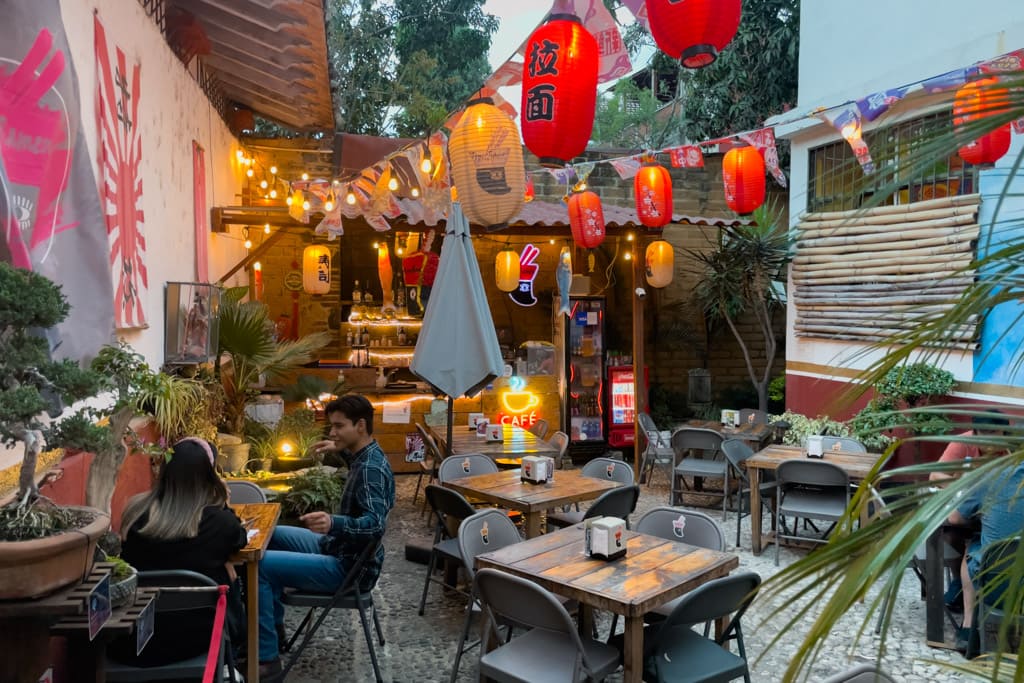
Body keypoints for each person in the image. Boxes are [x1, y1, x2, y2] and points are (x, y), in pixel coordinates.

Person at [256, 394, 395, 678]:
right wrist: (339, 447)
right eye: (331, 426)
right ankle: (275, 627)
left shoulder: (369, 469)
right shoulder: (366, 455)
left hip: (350, 569)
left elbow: (375, 526)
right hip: (340, 549)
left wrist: (334, 523)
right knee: (273, 533)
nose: (332, 432)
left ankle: (266, 657)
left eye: (338, 426)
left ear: (360, 425)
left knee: (258, 565)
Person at [113, 437, 247, 666]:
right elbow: (239, 538)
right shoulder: (220, 523)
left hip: (133, 640)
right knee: (231, 579)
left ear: (164, 471)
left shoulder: (135, 511)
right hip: (197, 638)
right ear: (209, 477)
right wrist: (221, 501)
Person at [947, 459, 1024, 657]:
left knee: (972, 549)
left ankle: (967, 628)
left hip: (995, 585)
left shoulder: (995, 476)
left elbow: (955, 518)